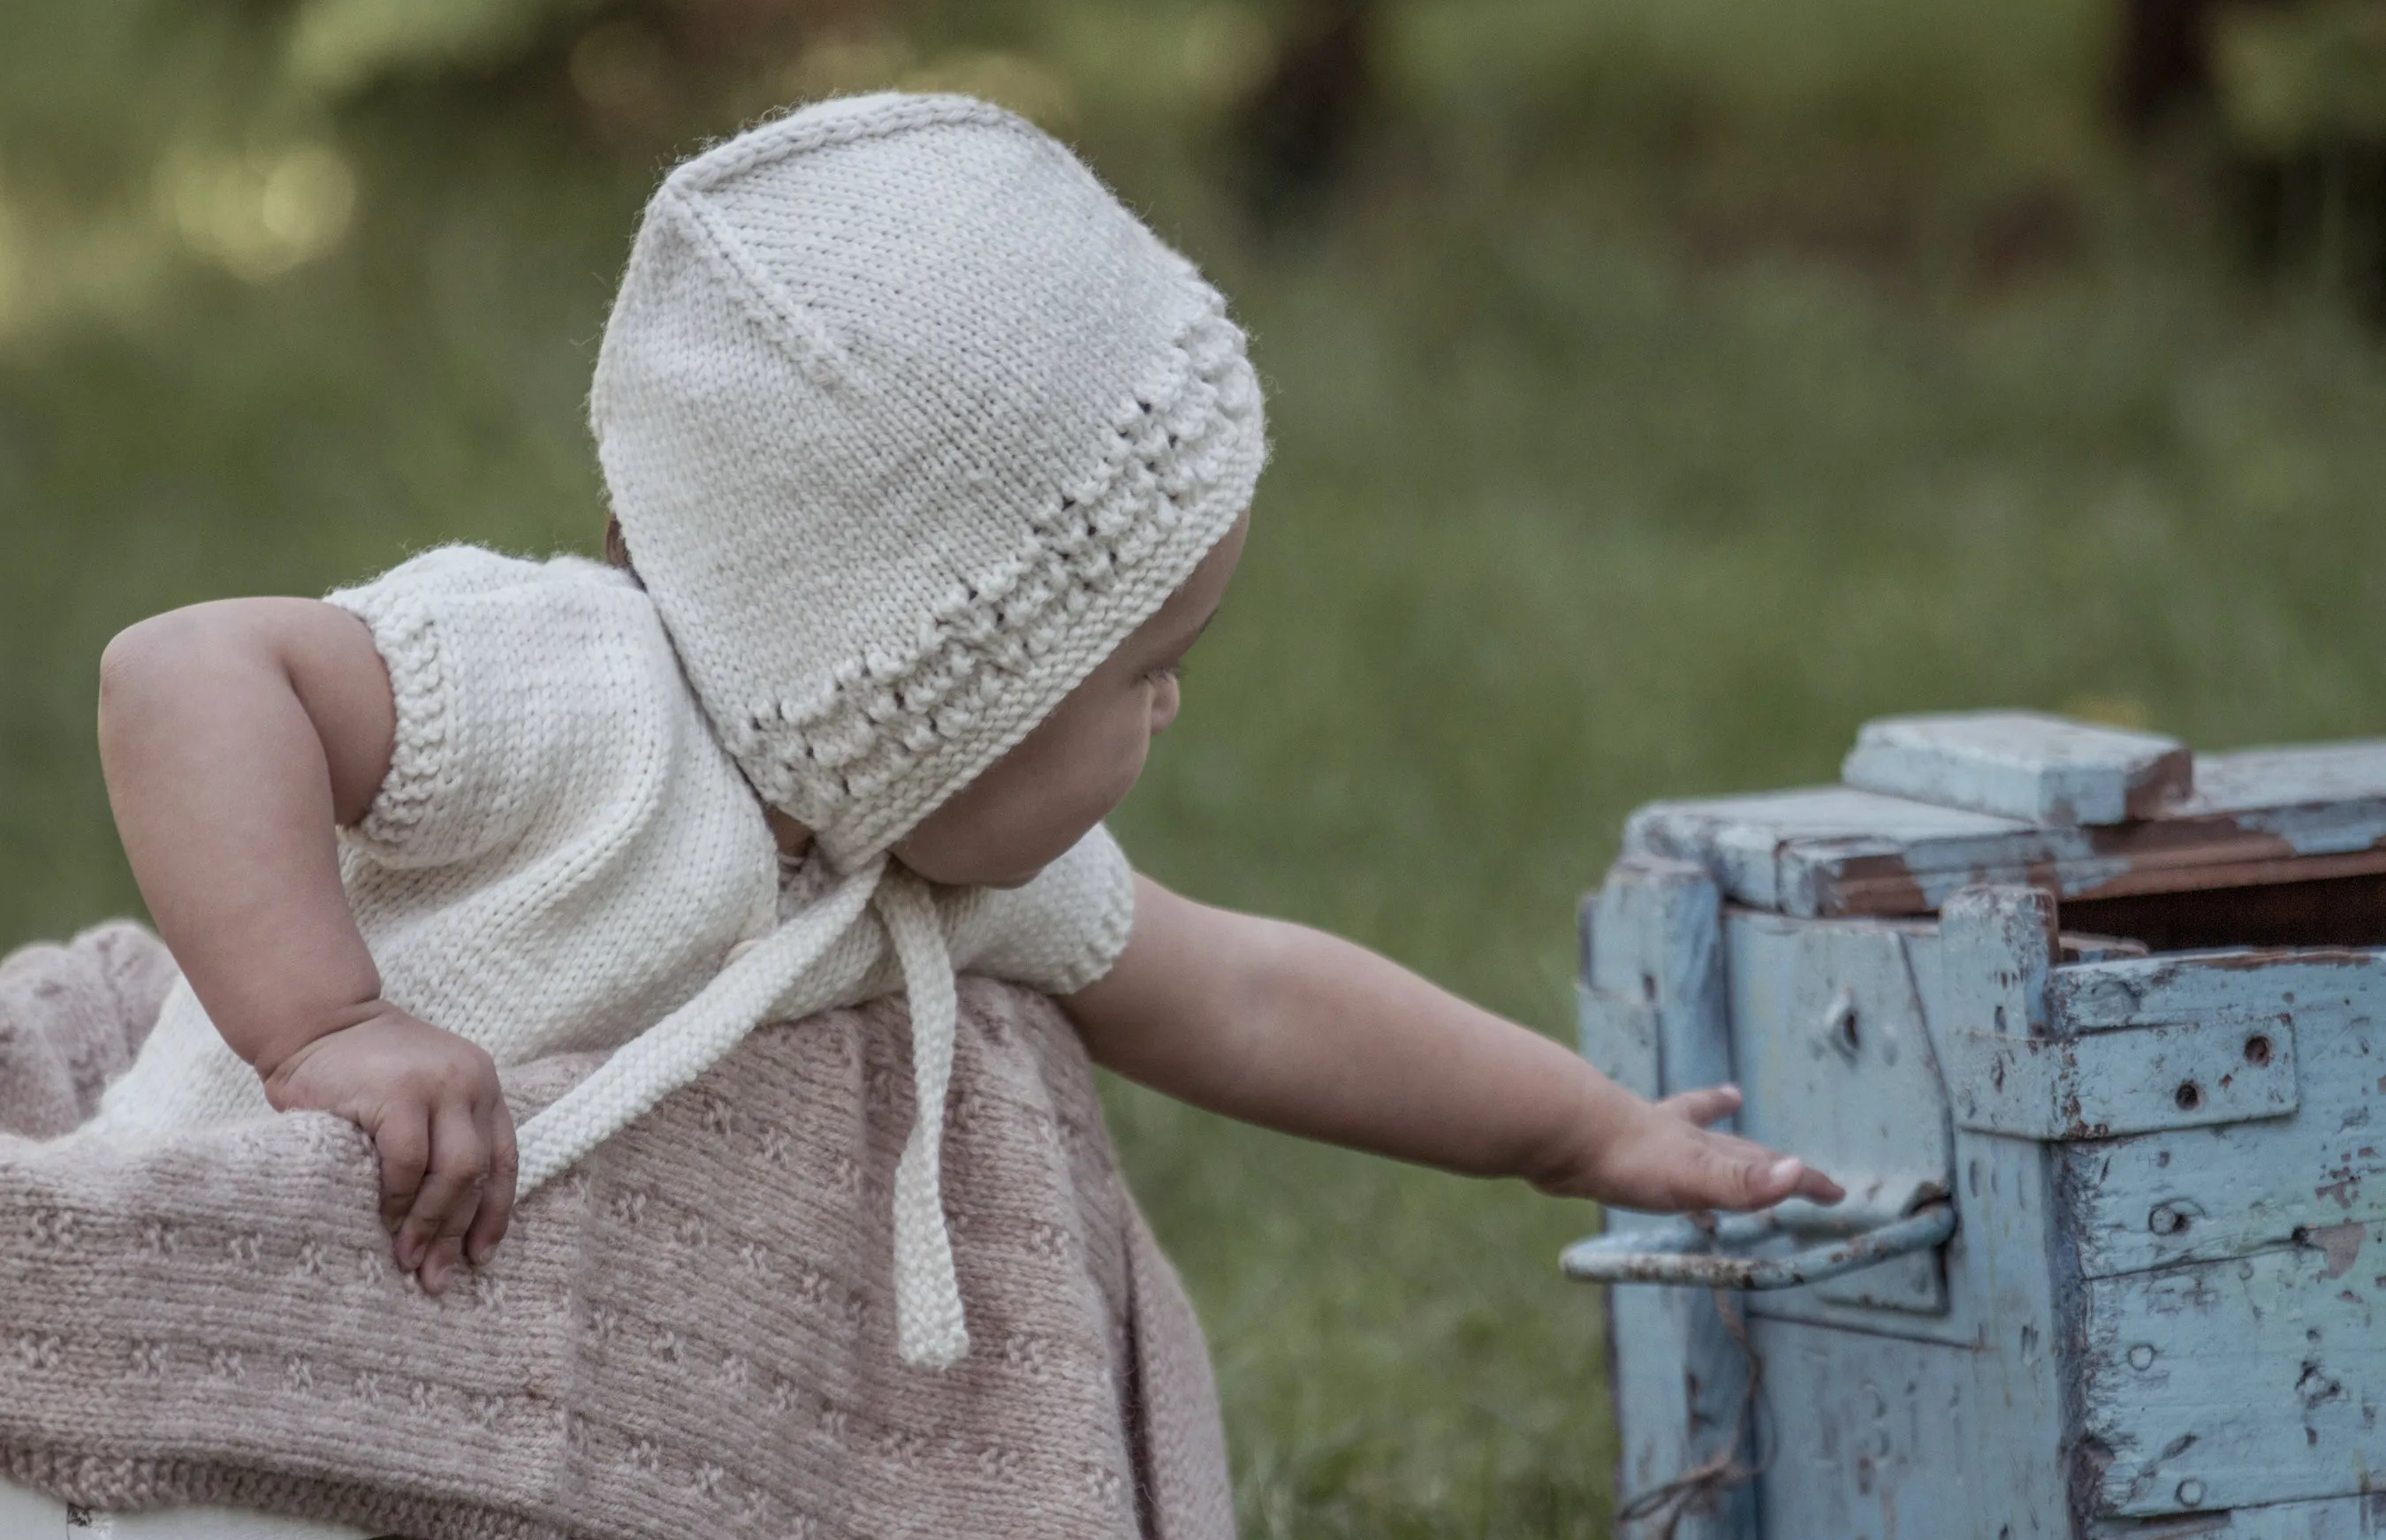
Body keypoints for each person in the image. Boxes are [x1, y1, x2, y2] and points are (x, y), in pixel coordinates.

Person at [13, 92, 1837, 1536]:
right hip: (205, 1388)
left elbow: (1258, 997)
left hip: (500, 1440)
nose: (1177, 702)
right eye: (1144, 667)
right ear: (934, 678)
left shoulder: (921, 868)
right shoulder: (574, 692)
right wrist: (326, 1019)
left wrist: (1582, 1135)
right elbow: (186, 675)